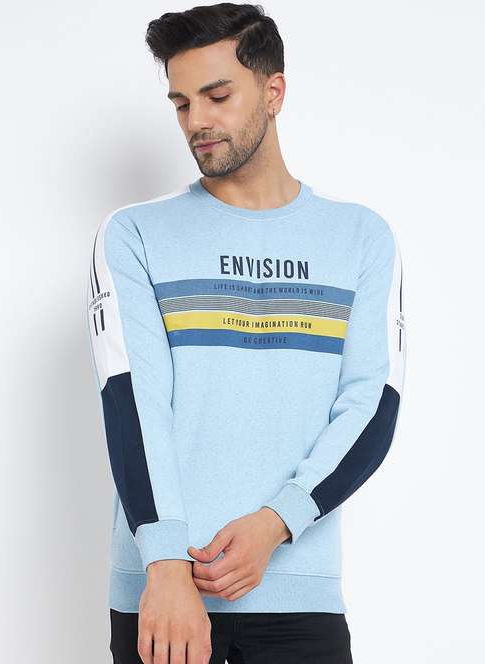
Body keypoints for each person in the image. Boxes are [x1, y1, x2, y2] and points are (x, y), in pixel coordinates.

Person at [86, 3, 406, 663]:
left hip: (298, 593)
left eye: (217, 95)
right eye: (181, 103)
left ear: (273, 91)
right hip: (164, 591)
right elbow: (133, 403)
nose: (196, 121)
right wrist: (165, 562)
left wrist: (278, 522)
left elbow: (372, 405)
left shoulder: (360, 238)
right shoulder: (135, 233)